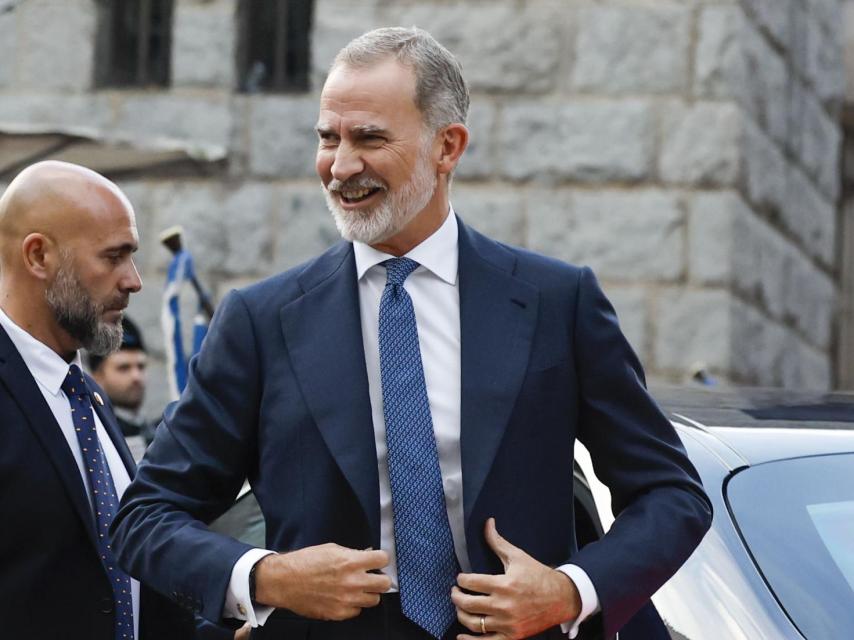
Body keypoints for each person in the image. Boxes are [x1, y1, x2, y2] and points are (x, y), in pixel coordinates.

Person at [111, 27, 712, 640]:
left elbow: (671, 495)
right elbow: (146, 517)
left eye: (369, 138)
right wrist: (268, 577)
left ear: (447, 146)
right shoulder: (260, 320)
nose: (341, 166)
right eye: (328, 138)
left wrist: (568, 592)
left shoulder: (557, 302)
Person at [0, 160, 195, 639]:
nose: (133, 280)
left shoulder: (85, 396)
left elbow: (118, 586)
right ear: (38, 256)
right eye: (113, 257)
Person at [89, 316, 155, 461]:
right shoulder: (93, 435)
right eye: (123, 368)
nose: (136, 376)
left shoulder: (159, 431)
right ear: (97, 377)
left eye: (141, 366)